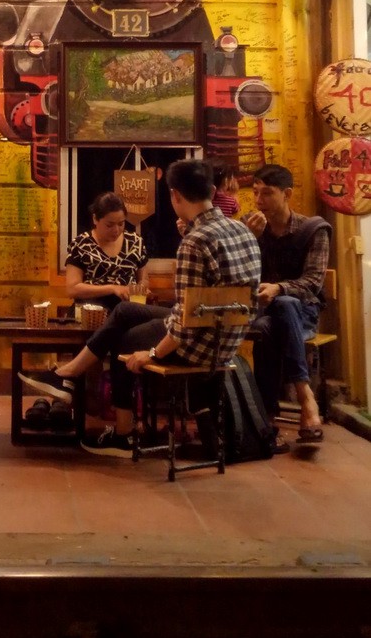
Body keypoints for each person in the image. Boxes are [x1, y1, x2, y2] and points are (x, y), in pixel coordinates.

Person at [20, 159, 261, 457]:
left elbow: (184, 324)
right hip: (227, 340)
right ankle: (68, 374)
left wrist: (152, 353)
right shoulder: (242, 231)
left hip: (198, 344)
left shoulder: (194, 242)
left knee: (124, 340)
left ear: (174, 195)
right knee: (125, 312)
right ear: (212, 191)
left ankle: (122, 433)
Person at [242, 164, 330, 446]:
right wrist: (248, 239)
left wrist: (279, 288)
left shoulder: (312, 230)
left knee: (284, 306)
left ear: (287, 194)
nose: (259, 201)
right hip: (263, 313)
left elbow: (313, 282)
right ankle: (305, 399)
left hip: (303, 314)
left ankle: (268, 415)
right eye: (256, 193)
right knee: (271, 323)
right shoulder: (249, 226)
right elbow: (236, 274)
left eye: (267, 193)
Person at [65, 192, 150, 312]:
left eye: (121, 224)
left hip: (127, 311)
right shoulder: (81, 244)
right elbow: (72, 289)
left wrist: (139, 289)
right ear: (95, 219)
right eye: (109, 225)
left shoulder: (135, 242)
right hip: (90, 313)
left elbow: (144, 279)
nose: (116, 230)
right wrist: (112, 288)